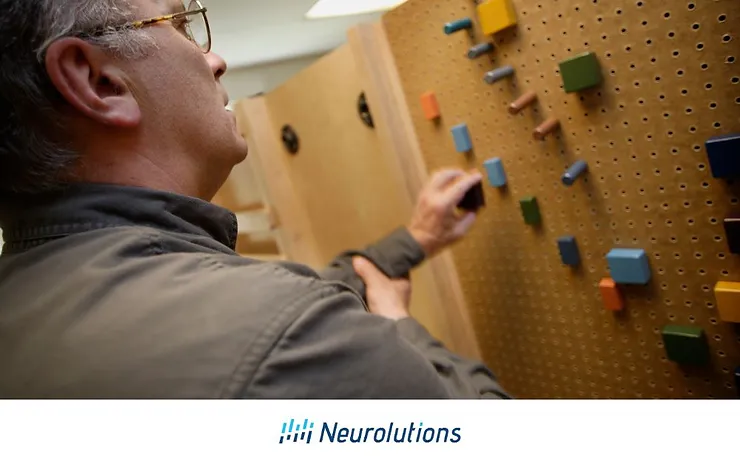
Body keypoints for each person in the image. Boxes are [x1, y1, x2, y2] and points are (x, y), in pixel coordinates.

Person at [0, 0, 509, 399]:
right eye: (181, 23)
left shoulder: (35, 301)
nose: (216, 60)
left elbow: (288, 302)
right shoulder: (291, 340)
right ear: (100, 82)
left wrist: (415, 240)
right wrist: (400, 325)